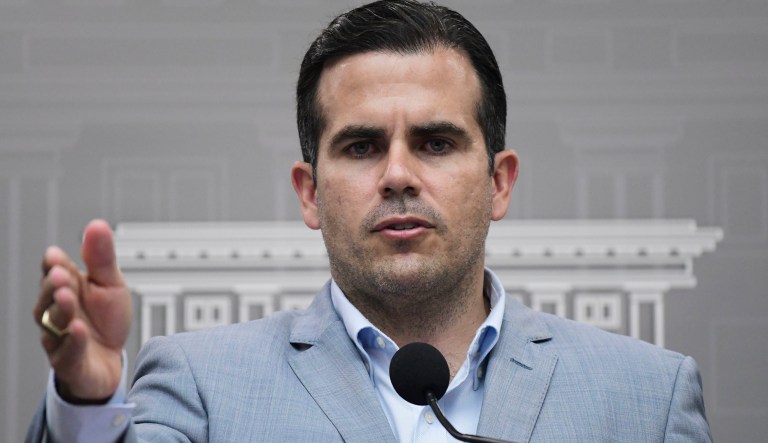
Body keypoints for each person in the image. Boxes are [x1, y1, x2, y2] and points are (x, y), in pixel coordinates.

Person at [27, 1, 712, 442]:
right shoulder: (199, 383)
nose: (398, 174)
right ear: (310, 193)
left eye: (436, 142)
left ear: (500, 182)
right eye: (360, 146)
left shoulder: (648, 396)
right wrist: (86, 406)